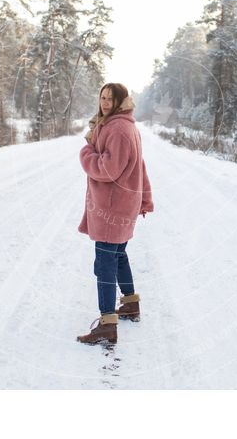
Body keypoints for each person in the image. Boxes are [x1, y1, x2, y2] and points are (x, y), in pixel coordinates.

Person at [76, 83, 154, 345]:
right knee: (118, 256)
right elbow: (140, 166)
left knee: (105, 264)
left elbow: (108, 169)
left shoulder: (118, 128)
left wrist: (86, 153)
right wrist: (144, 197)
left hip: (112, 206)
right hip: (122, 204)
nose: (105, 102)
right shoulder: (123, 125)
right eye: (102, 97)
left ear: (122, 102)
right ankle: (130, 305)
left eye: (111, 98)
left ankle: (107, 325)